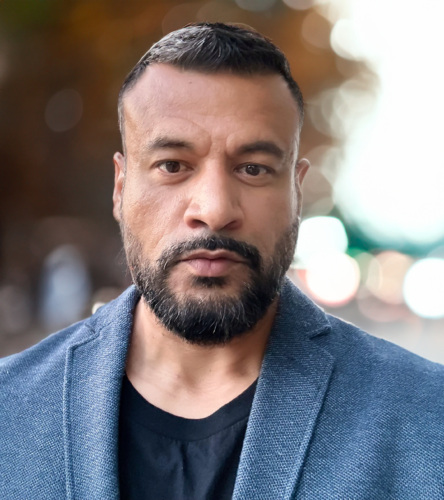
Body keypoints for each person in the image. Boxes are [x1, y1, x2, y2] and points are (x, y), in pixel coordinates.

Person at [1, 22, 444, 500]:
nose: (214, 209)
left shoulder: (424, 417)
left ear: (296, 190)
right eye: (173, 165)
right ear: (121, 186)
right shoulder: (11, 409)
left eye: (253, 169)